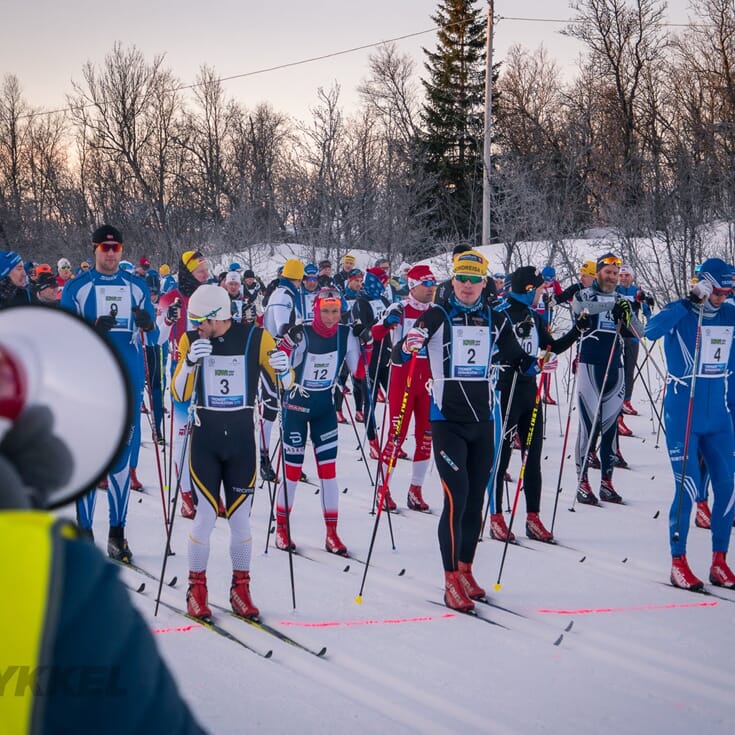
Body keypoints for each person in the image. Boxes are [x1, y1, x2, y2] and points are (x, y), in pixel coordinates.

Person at [0, 325, 205, 735]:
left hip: (122, 402)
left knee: (117, 475)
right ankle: (98, 531)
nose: (111, 253)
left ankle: (115, 531)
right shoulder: (58, 571)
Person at [403, 250, 537, 612]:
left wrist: (537, 362)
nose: (466, 285)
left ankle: (466, 569)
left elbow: (516, 356)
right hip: (447, 421)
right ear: (453, 280)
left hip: (484, 422)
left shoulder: (494, 317)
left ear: (484, 283)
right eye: (460, 278)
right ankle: (449, 579)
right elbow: (408, 345)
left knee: (476, 499)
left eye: (473, 279)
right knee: (456, 496)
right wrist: (410, 344)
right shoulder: (438, 313)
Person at [172, 284, 290, 620]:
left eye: (200, 320)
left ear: (216, 317)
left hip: (241, 442)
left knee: (240, 522)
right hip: (206, 440)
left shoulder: (256, 338)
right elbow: (179, 392)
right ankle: (196, 588)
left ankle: (241, 589)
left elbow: (287, 384)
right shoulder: (191, 341)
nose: (195, 326)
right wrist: (189, 364)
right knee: (205, 517)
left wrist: (283, 368)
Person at [61, 225, 156, 561]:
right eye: (105, 247)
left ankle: (118, 533)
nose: (111, 253)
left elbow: (155, 336)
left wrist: (147, 324)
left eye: (116, 247)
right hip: (90, 384)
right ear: (94, 249)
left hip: (127, 383)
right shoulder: (77, 287)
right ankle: (84, 533)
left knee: (119, 463)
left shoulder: (137, 286)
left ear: (122, 250)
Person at [645, 258, 735, 590]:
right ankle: (678, 561)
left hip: (719, 416)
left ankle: (719, 561)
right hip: (684, 411)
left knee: (727, 487)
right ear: (705, 285)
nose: (722, 298)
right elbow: (650, 329)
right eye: (718, 292)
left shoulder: (728, 314)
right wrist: (689, 300)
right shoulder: (682, 313)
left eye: (728, 292)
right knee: (688, 487)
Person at [490, 266, 586, 542]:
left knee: (532, 457)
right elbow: (501, 350)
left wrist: (577, 331)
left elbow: (550, 347)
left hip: (529, 393)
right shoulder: (501, 312)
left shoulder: (532, 314)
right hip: (505, 392)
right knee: (502, 457)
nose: (544, 294)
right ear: (528, 290)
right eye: (541, 290)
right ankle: (496, 516)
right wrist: (527, 363)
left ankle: (533, 517)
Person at [272, 287, 367, 555]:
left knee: (328, 473)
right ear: (316, 310)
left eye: (335, 311)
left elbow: (359, 371)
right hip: (296, 407)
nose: (330, 317)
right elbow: (281, 368)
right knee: (291, 472)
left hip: (324, 408)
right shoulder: (303, 333)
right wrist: (287, 343)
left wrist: (366, 342)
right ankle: (282, 527)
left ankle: (332, 533)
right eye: (325, 310)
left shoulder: (345, 335)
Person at [571, 253, 638, 505]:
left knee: (610, 427)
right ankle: (582, 481)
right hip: (590, 366)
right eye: (608, 272)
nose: (611, 277)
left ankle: (607, 483)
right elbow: (579, 309)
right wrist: (612, 306)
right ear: (598, 272)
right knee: (588, 425)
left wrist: (629, 315)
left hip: (615, 368)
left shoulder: (621, 298)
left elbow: (639, 332)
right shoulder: (585, 294)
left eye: (615, 272)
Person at [374, 264, 438, 511]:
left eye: (434, 283)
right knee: (396, 434)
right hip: (403, 377)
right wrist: (387, 324)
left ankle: (415, 490)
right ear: (413, 286)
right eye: (427, 284)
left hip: (428, 380)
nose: (432, 289)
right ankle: (384, 488)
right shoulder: (399, 308)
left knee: (426, 436)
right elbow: (374, 334)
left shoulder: (436, 311)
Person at [156, 250, 212, 518]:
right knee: (183, 437)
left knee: (208, 438)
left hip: (211, 371)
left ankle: (205, 491)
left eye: (207, 270)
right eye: (201, 271)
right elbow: (157, 338)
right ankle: (186, 495)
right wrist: (168, 319)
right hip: (182, 370)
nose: (206, 275)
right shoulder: (171, 298)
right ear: (189, 272)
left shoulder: (212, 295)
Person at [616, 264, 654, 421]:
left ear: (631, 277)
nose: (624, 278)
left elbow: (646, 311)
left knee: (629, 369)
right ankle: (616, 399)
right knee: (616, 369)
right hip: (617, 333)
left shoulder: (636, 291)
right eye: (622, 275)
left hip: (632, 334)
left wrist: (647, 302)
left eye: (627, 275)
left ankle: (627, 400)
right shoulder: (615, 290)